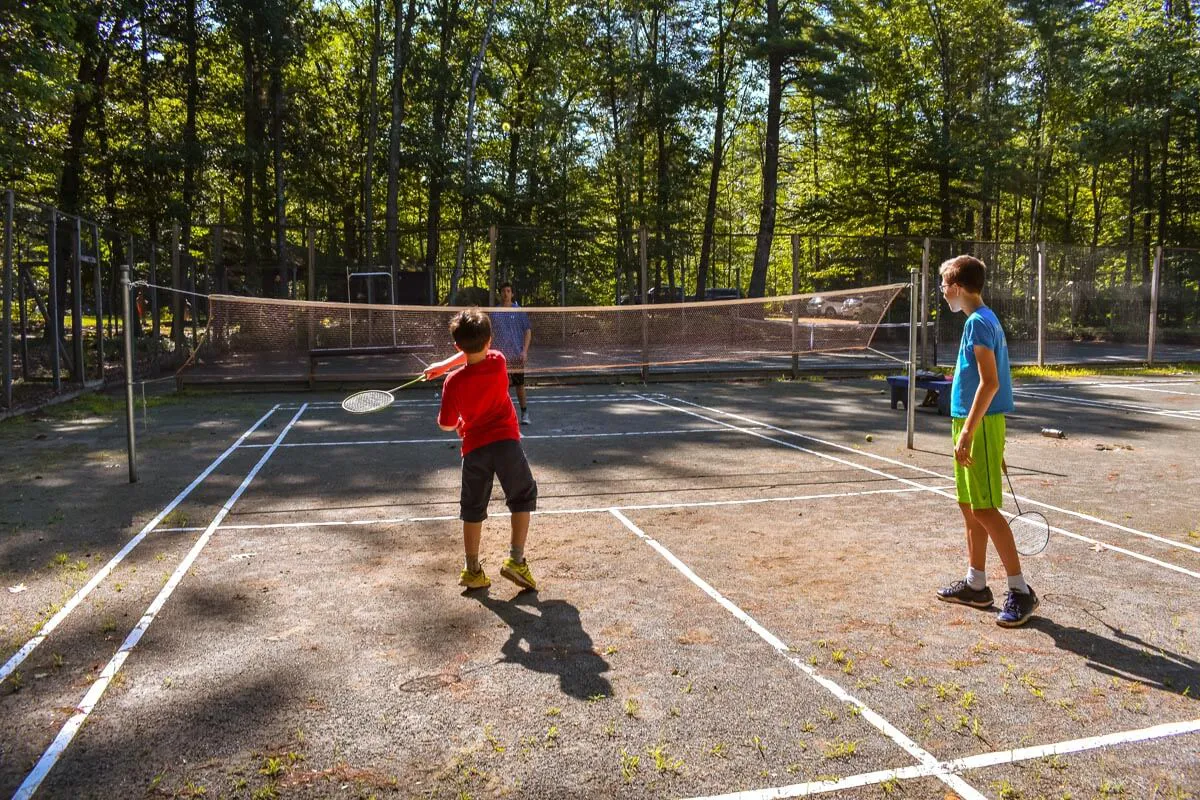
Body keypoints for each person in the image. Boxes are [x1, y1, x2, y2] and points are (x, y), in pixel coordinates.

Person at [935, 255, 1038, 628]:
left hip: (977, 424)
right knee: (969, 505)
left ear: (958, 288)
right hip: (971, 421)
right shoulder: (981, 320)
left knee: (985, 509)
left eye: (944, 284)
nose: (942, 291)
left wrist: (970, 431)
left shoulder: (979, 323)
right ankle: (977, 584)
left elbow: (990, 382)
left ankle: (1020, 590)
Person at [423, 308, 538, 592]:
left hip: (474, 449)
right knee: (522, 497)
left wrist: (444, 369)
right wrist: (445, 365)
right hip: (506, 443)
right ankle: (516, 560)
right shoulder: (498, 361)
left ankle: (472, 569)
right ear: (490, 340)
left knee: (472, 508)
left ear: (456, 345)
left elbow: (446, 424)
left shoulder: (453, 382)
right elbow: (475, 352)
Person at [491, 281, 533, 424]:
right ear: (500, 294)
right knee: (501, 388)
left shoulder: (519, 311)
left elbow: (527, 331)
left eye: (508, 291)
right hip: (500, 357)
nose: (506, 293)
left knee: (519, 386)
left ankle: (524, 413)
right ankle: (502, 416)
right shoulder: (494, 313)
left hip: (516, 355)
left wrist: (524, 351)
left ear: (512, 294)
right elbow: (490, 333)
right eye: (503, 291)